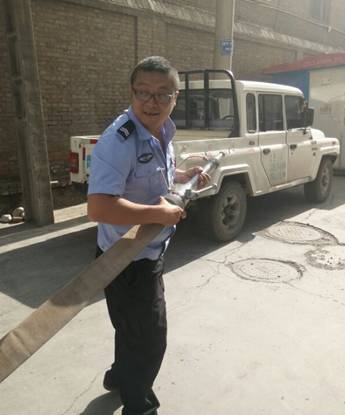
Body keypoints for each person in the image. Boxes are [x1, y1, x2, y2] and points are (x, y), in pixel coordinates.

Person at [87, 56, 208, 415]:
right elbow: (100, 207)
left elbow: (154, 178)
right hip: (126, 260)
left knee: (131, 328)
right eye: (143, 92)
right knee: (151, 339)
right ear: (131, 93)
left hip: (147, 253)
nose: (152, 102)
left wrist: (183, 176)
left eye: (162, 94)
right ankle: (138, 404)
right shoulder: (119, 140)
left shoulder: (162, 131)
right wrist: (159, 214)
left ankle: (119, 377)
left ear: (175, 97)